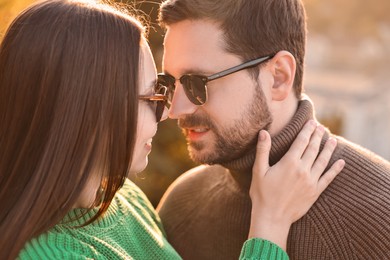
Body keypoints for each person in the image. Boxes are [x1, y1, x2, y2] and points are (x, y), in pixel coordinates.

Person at [0, 0, 344, 259]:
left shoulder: (123, 199)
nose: (167, 114)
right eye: (154, 96)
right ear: (90, 110)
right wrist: (270, 225)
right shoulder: (47, 253)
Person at [156, 0, 390, 259]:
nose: (175, 110)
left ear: (278, 77)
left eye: (196, 83)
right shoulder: (181, 207)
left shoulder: (381, 217)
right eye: (169, 82)